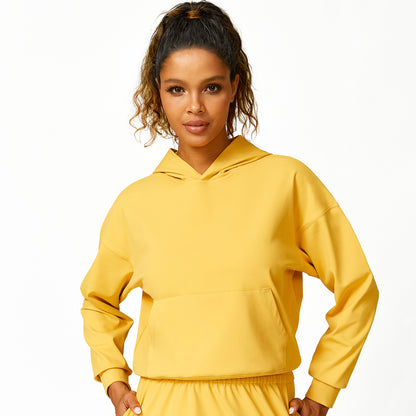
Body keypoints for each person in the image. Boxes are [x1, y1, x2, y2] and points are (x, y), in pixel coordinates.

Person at [80, 2, 379, 415]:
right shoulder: (136, 203)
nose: (195, 106)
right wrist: (114, 380)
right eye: (177, 89)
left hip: (261, 400)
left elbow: (358, 287)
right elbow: (98, 301)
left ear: (234, 86)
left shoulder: (287, 182)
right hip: (163, 403)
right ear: (158, 90)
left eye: (212, 87)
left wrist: (322, 391)